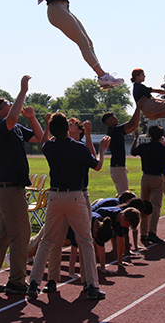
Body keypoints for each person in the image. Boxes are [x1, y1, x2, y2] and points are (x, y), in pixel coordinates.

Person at [27, 112, 110, 300]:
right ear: (66, 129)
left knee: (47, 241)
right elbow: (97, 166)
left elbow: (43, 143)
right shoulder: (78, 147)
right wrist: (103, 149)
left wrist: (47, 124)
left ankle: (33, 283)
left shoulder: (49, 147)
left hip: (55, 196)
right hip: (75, 196)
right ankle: (92, 285)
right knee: (86, 241)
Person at [0, 75, 44, 295]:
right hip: (10, 188)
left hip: (9, 188)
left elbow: (41, 139)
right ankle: (16, 281)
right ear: (0, 113)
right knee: (21, 235)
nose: (11, 105)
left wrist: (32, 117)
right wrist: (23, 90)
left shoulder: (17, 128)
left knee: (3, 235)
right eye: (7, 105)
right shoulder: (2, 127)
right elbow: (12, 118)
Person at [30, 0, 123, 89]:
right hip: (56, 9)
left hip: (63, 9)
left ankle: (102, 77)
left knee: (88, 41)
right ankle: (103, 76)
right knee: (83, 42)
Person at [131, 125, 165, 244]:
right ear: (161, 136)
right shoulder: (164, 149)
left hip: (145, 177)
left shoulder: (144, 147)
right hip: (158, 178)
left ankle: (143, 234)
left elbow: (132, 152)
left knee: (144, 205)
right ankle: (152, 232)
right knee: (156, 206)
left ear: (150, 135)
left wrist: (136, 138)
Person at [101, 105, 141, 195]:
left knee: (121, 194)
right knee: (124, 195)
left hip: (118, 167)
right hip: (118, 167)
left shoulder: (115, 131)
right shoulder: (114, 130)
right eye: (114, 118)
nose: (116, 119)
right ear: (109, 121)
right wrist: (138, 108)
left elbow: (134, 125)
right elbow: (131, 123)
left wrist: (139, 110)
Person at [93, 206, 140, 273]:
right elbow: (100, 242)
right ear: (123, 216)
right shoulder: (106, 215)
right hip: (91, 221)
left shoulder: (121, 221)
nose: (127, 227)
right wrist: (103, 268)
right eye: (127, 224)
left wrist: (120, 261)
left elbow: (120, 240)